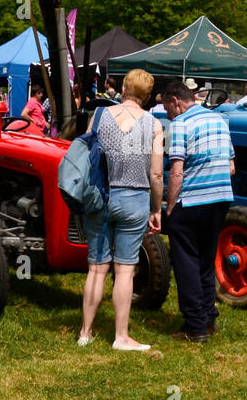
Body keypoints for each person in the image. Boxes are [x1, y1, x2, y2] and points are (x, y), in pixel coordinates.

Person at [78, 69, 164, 353]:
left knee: (96, 268)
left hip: (100, 197)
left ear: (124, 88)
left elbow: (86, 155)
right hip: (134, 199)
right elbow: (156, 173)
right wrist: (156, 209)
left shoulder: (100, 116)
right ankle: (121, 336)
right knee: (124, 271)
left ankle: (85, 332)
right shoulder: (154, 124)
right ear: (149, 96)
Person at [161, 81, 235, 344]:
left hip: (193, 200)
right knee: (206, 258)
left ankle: (195, 327)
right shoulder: (219, 120)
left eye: (166, 106)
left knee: (186, 263)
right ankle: (208, 317)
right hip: (221, 198)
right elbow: (231, 168)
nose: (166, 112)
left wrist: (170, 207)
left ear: (176, 101)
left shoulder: (179, 124)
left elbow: (177, 171)